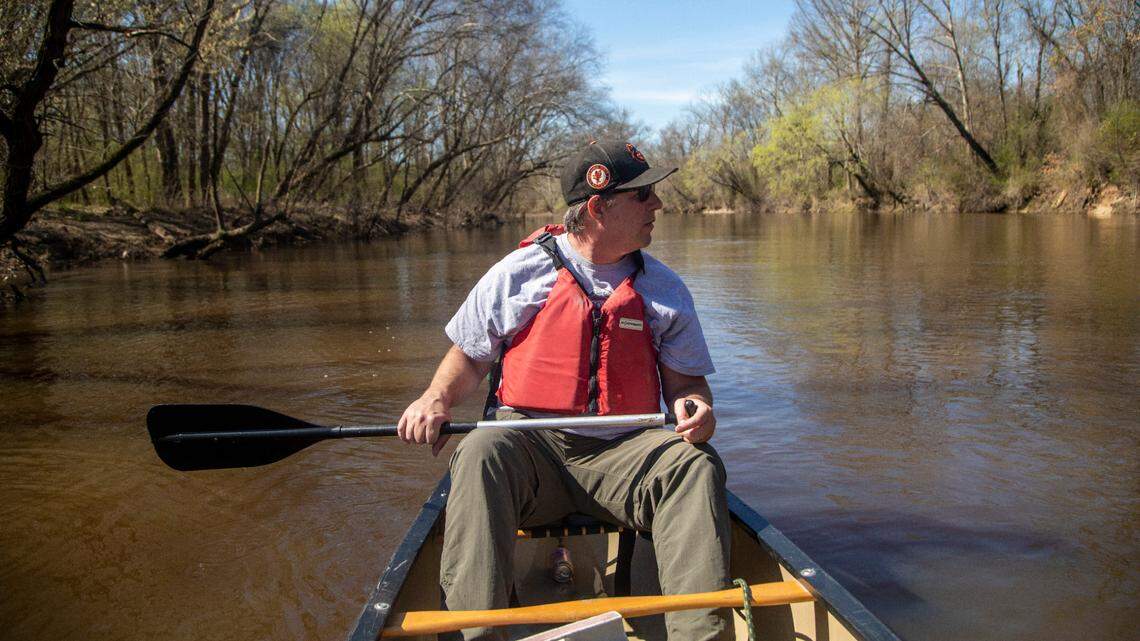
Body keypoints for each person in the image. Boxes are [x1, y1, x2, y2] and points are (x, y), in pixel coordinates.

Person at [398, 139, 732, 640]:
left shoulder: (665, 288)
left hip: (624, 454)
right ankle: (477, 633)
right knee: (479, 451)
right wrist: (436, 399)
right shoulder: (519, 273)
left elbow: (686, 385)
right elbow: (468, 356)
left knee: (695, 466)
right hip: (531, 448)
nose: (658, 205)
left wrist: (697, 407)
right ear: (599, 206)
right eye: (643, 196)